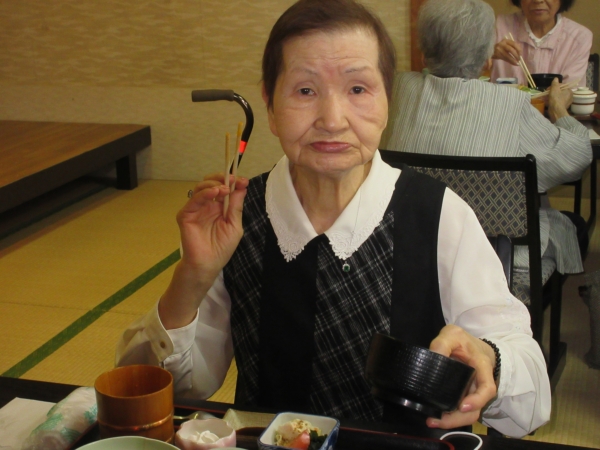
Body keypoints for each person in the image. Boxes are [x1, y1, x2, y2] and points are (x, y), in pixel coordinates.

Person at [116, 0, 550, 438]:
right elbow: (179, 389)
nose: (332, 120)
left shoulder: (440, 214)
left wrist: (490, 359)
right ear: (269, 104)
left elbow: (530, 400)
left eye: (358, 89)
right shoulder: (235, 218)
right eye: (305, 91)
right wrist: (193, 275)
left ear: (388, 99)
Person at [380, 0, 592, 277]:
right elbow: (577, 158)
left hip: (414, 247)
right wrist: (560, 109)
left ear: (423, 54)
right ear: (486, 59)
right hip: (496, 257)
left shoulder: (397, 93)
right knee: (575, 226)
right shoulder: (510, 105)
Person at [491, 0, 592, 87]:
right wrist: (489, 54)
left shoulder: (579, 38)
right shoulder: (498, 26)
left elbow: (571, 91)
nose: (538, 1)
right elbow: (481, 79)